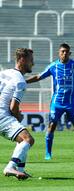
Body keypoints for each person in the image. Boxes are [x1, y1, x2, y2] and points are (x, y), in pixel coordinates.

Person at [1, 48, 35, 180]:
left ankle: (20, 170)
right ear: (22, 60)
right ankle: (10, 167)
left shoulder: (4, 73)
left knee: (21, 139)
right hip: (2, 115)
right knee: (28, 139)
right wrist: (17, 116)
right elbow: (13, 107)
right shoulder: (20, 81)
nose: (33, 63)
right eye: (31, 60)